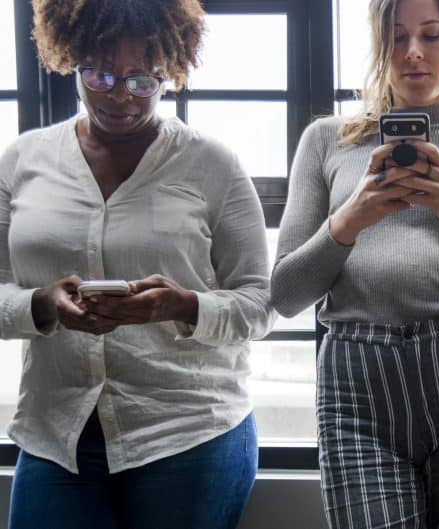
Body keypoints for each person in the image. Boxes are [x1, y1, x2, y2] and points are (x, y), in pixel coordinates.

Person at [0, 1, 275, 527]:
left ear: (170, 69)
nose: (121, 94)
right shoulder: (22, 160)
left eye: (142, 79)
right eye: (100, 74)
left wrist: (182, 306)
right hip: (56, 434)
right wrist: (40, 305)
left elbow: (260, 302)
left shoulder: (212, 164)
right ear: (71, 58)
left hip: (188, 433)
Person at [269, 0, 439, 526]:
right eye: (396, 37)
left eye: (432, 36)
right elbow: (284, 293)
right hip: (356, 384)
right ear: (377, 43)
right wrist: (349, 220)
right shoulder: (326, 140)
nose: (413, 53)